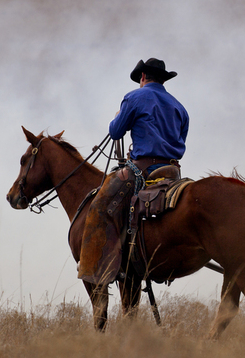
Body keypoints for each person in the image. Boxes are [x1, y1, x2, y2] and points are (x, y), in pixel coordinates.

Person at [79, 58, 189, 285]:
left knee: (99, 205)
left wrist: (120, 113)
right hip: (172, 170)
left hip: (143, 168)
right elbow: (181, 140)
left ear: (142, 77)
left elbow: (116, 131)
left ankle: (92, 268)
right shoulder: (180, 107)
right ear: (163, 78)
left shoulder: (135, 97)